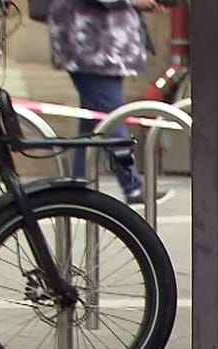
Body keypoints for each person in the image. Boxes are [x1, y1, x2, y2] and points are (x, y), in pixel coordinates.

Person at [48, 0, 169, 205]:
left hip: (102, 47)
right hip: (94, 46)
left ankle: (78, 185)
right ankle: (132, 185)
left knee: (93, 118)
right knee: (112, 117)